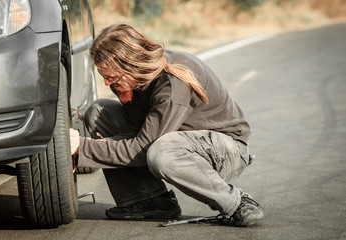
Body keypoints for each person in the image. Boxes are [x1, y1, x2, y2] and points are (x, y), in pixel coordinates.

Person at [69, 23, 264, 227]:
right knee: (99, 112)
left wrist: (82, 147)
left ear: (131, 65)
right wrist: (87, 151)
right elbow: (134, 133)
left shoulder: (173, 84)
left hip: (227, 150)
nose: (108, 84)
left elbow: (141, 147)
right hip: (179, 140)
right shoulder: (134, 79)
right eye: (103, 77)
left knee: (160, 152)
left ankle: (236, 203)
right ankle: (149, 201)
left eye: (111, 78)